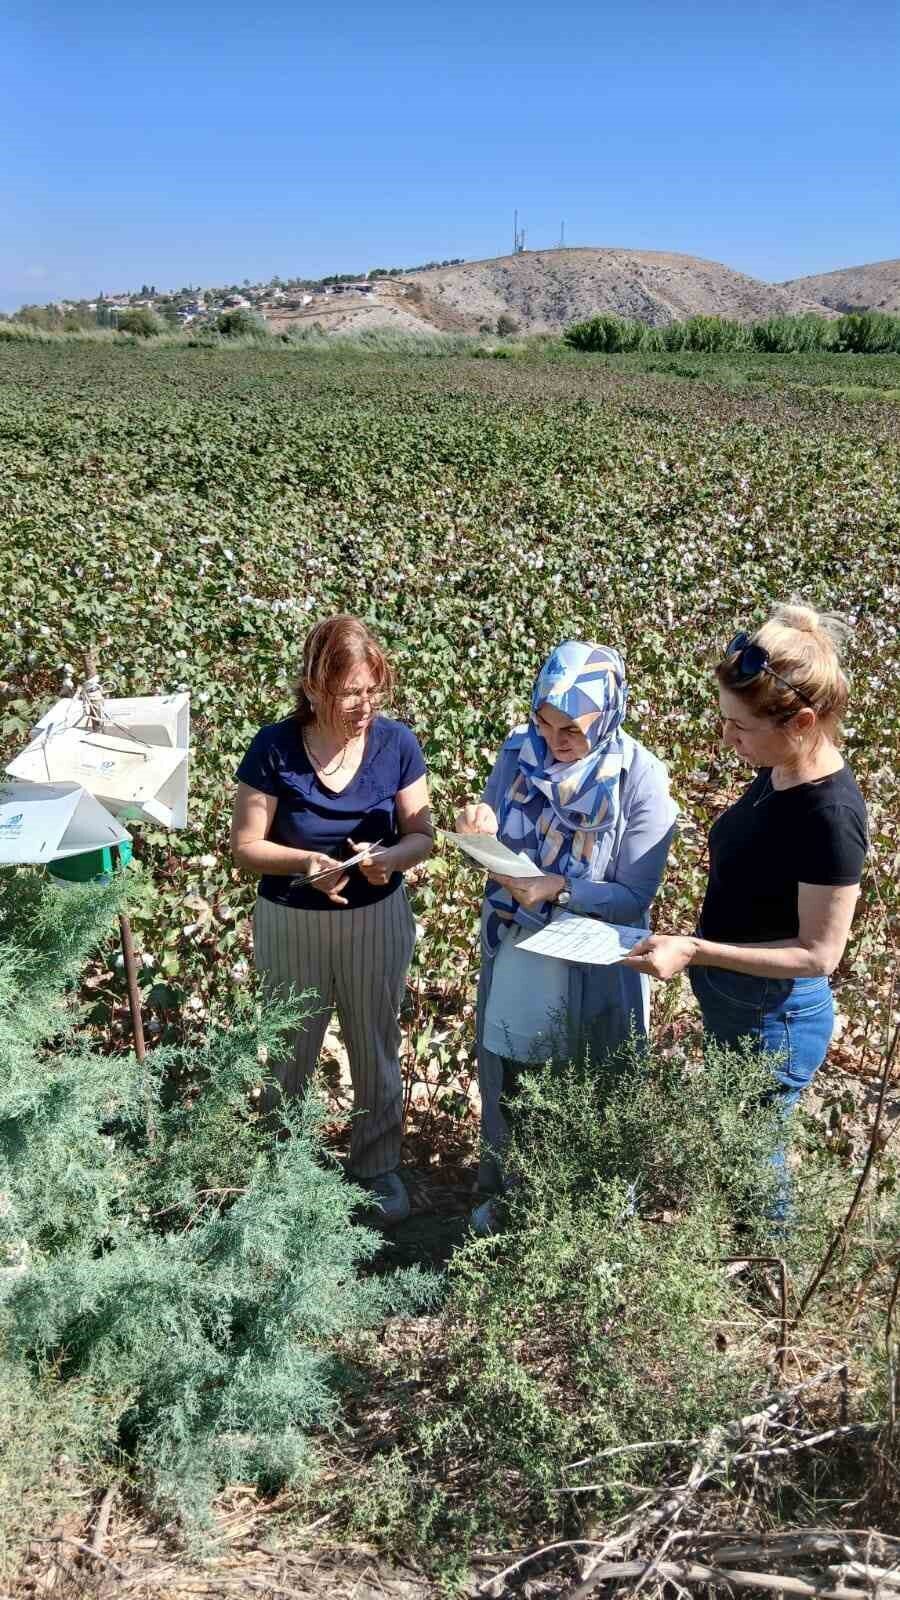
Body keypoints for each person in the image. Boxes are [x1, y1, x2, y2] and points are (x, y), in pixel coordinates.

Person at [623, 602, 868, 1212]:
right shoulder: (782, 767)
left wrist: (698, 949)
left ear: (803, 720)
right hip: (740, 1004)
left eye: (741, 727)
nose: (727, 737)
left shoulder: (830, 818)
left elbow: (819, 955)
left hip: (774, 1019)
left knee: (759, 1165)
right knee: (741, 1151)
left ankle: (770, 1291)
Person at [456, 641, 678, 1231]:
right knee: (515, 1077)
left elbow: (634, 895)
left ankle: (589, 1224)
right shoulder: (516, 752)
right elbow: (493, 827)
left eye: (572, 729)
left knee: (592, 1087)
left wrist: (561, 888)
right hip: (519, 945)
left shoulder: (639, 777)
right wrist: (478, 823)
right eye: (545, 722)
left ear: (607, 717)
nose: (556, 741)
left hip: (594, 958)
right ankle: (516, 1202)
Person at [231, 614, 433, 1225]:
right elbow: (246, 847)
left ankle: (377, 1171)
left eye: (373, 692)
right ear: (316, 687)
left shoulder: (397, 744)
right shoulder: (273, 748)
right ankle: (282, 1172)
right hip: (292, 921)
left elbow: (421, 833)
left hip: (377, 919)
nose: (365, 705)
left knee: (375, 1043)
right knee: (289, 1047)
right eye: (351, 693)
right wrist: (304, 862)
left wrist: (391, 859)